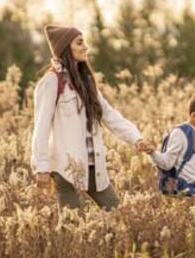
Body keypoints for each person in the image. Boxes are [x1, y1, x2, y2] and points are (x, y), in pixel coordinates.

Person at [31, 24, 155, 211]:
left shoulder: (85, 82)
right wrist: (42, 168)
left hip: (93, 166)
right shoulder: (51, 82)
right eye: (79, 43)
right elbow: (41, 128)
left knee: (119, 214)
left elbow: (110, 115)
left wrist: (136, 138)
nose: (85, 47)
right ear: (65, 48)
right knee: (73, 224)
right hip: (65, 168)